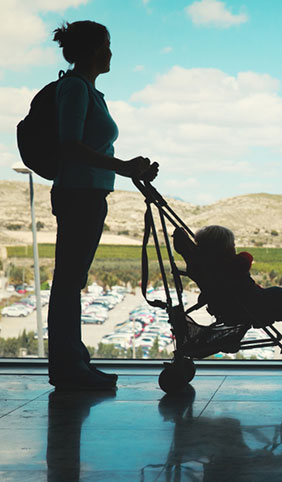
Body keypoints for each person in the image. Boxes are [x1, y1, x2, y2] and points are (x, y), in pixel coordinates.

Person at [47, 20, 158, 391]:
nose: (111, 52)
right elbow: (70, 145)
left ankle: (74, 362)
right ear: (96, 50)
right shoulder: (76, 88)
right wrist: (123, 167)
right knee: (68, 283)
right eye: (107, 45)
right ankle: (68, 367)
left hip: (88, 193)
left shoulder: (88, 91)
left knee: (71, 281)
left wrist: (128, 168)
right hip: (79, 195)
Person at [194, 225, 282, 356]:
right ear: (223, 249)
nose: (235, 249)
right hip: (248, 308)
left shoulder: (209, 270)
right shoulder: (228, 266)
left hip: (240, 307)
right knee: (279, 294)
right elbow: (246, 259)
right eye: (232, 246)